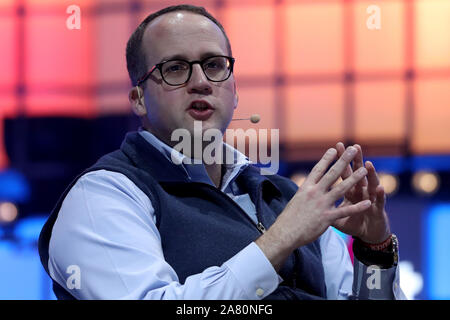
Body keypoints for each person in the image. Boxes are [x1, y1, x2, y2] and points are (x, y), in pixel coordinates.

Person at [38, 4, 406, 300]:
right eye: (175, 68)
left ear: (235, 90)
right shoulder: (105, 195)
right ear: (137, 99)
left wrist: (374, 250)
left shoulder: (289, 199)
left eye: (214, 66)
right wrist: (281, 239)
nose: (200, 82)